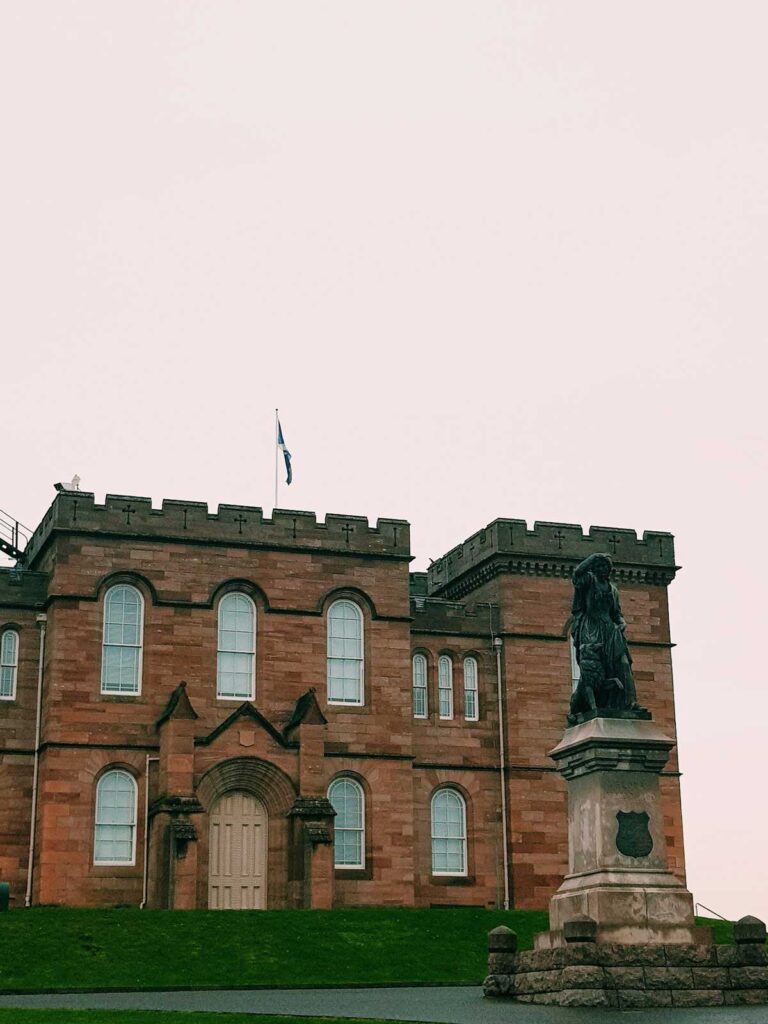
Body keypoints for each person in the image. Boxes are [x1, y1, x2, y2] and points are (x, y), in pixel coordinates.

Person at [569, 552, 638, 716]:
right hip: (591, 629)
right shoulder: (588, 581)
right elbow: (577, 574)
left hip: (610, 631)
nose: (602, 569)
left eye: (605, 566)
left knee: (623, 662)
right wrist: (593, 557)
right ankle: (594, 704)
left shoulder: (613, 590)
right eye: (599, 566)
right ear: (594, 567)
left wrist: (622, 622)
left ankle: (630, 702)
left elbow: (616, 613)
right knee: (594, 667)